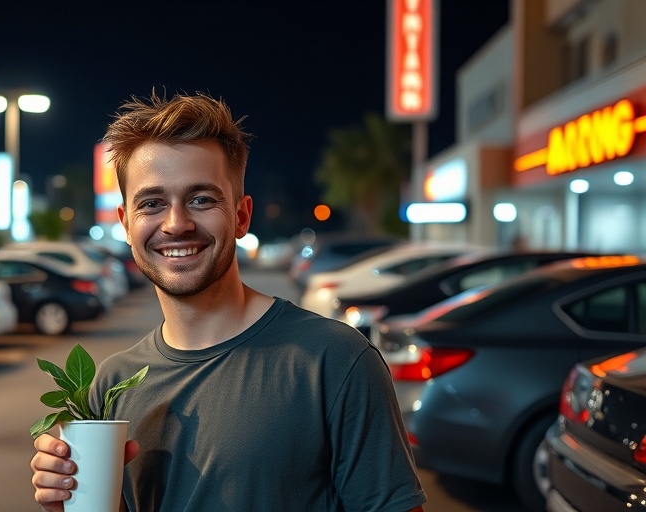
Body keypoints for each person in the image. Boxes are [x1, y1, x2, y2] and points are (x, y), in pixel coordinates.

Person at [30, 90, 427, 512]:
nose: (176, 223)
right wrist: (73, 499)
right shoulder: (112, 383)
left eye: (201, 199)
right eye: (152, 203)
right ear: (127, 224)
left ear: (241, 216)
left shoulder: (334, 360)